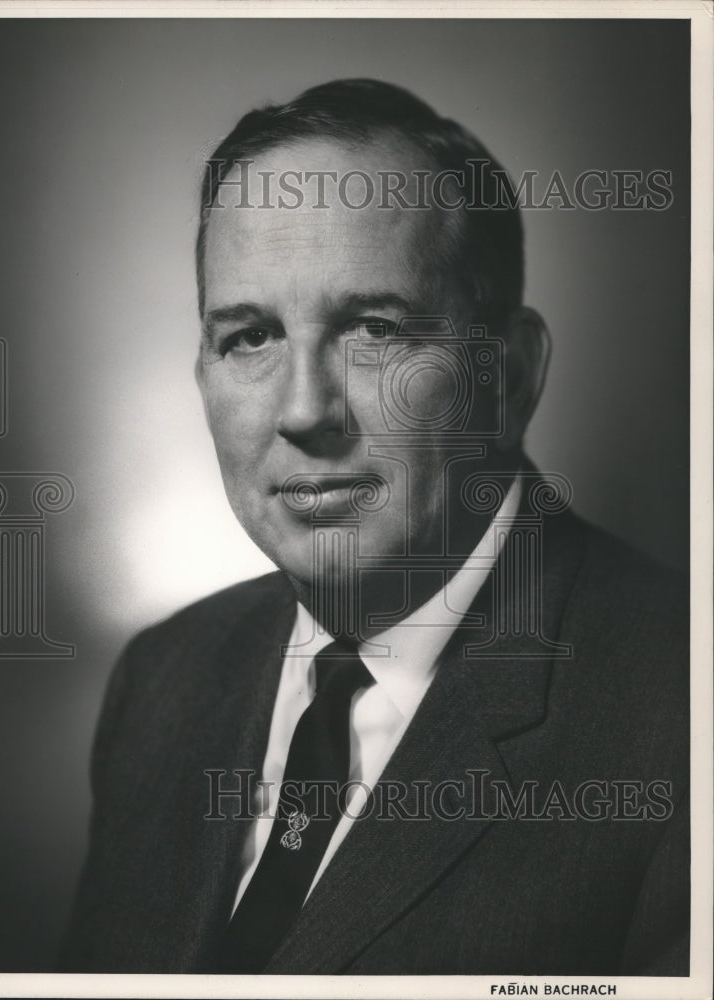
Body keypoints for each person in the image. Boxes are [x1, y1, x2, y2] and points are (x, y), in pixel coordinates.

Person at [60, 79, 689, 976]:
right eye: (250, 337)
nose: (306, 410)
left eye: (374, 329)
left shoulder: (677, 710)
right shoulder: (165, 680)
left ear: (507, 376)